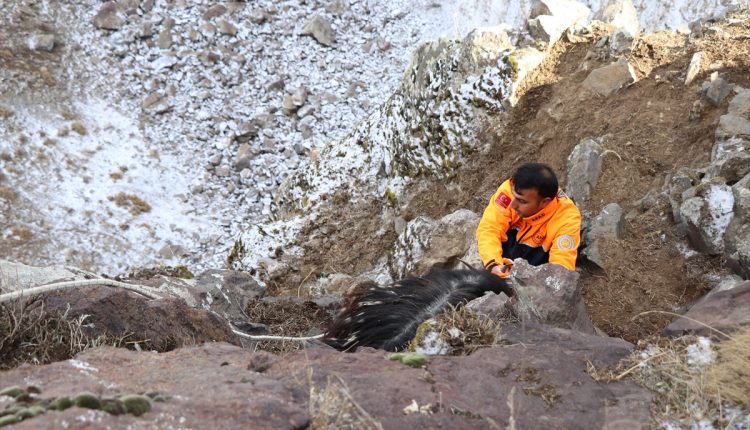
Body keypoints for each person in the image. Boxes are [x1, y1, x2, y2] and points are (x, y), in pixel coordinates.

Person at [476, 163, 581, 278]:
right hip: (501, 263)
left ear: (544, 202)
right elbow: (489, 228)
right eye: (513, 196)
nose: (512, 205)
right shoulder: (509, 189)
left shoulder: (567, 219)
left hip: (532, 278)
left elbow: (560, 269)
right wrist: (493, 264)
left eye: (522, 201)